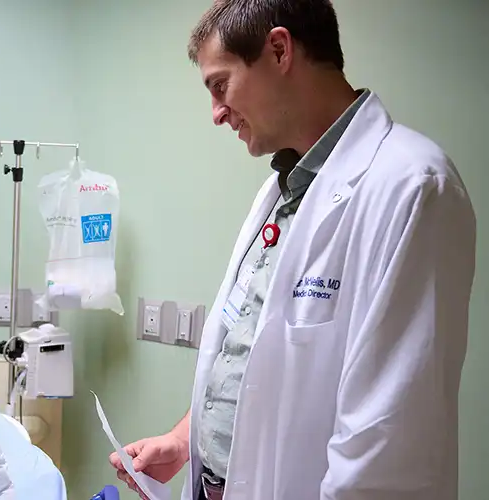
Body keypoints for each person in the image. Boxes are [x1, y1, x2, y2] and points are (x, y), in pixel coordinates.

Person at [110, 1, 477, 499]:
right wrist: (182, 440)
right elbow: (249, 357)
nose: (216, 113)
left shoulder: (411, 188)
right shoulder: (285, 190)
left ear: (280, 50)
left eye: (220, 84)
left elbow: (386, 447)